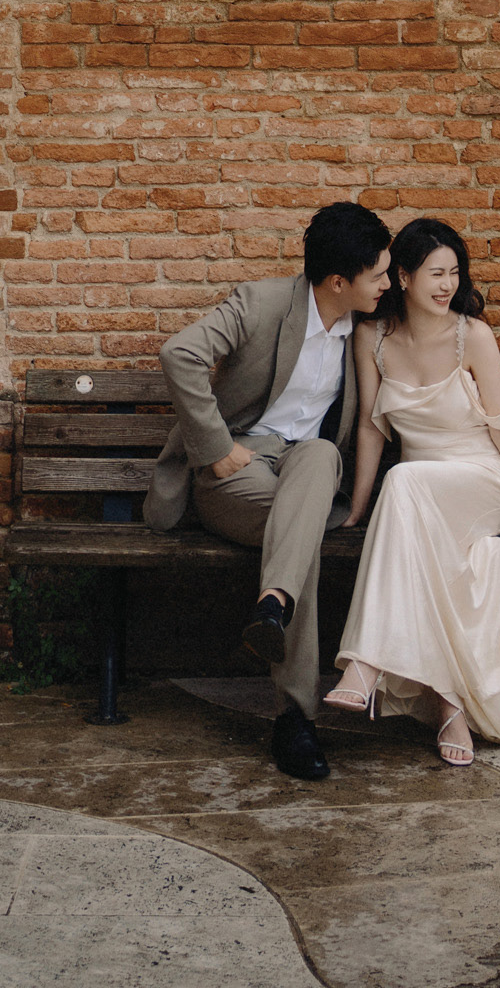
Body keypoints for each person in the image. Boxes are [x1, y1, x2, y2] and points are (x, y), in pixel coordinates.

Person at [323, 217, 500, 766]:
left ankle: (366, 662)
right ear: (404, 277)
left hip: (481, 480)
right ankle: (450, 706)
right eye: (435, 273)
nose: (447, 284)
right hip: (419, 498)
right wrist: (357, 508)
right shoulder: (371, 337)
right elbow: (371, 427)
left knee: (403, 480)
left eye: (454, 272)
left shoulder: (472, 336)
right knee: (416, 511)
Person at [148, 199, 392, 782]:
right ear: (339, 282)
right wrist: (217, 447)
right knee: (300, 534)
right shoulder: (261, 303)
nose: (387, 284)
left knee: (320, 455)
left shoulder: (368, 327)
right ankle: (294, 718)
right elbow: (179, 353)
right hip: (239, 472)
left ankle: (272, 608)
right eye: (378, 275)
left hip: (308, 472)